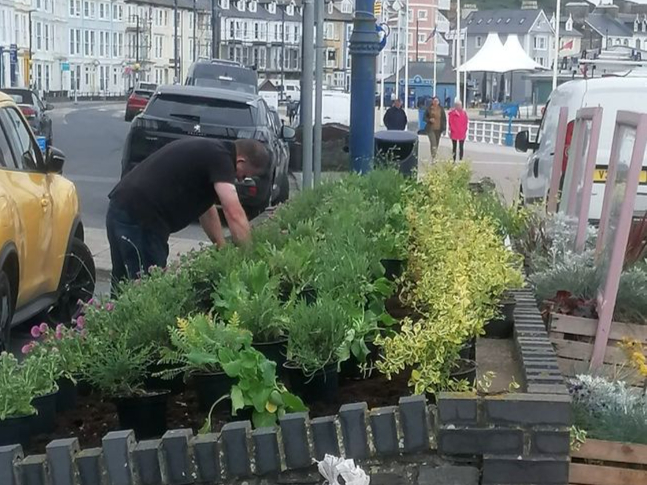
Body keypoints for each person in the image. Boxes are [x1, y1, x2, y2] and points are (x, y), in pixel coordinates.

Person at [106, 137, 270, 288]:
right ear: (241, 160)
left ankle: (110, 320)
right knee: (148, 289)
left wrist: (221, 247)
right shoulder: (222, 159)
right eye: (245, 174)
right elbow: (233, 212)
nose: (241, 179)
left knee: (123, 286)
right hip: (141, 219)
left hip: (121, 207)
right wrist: (249, 259)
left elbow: (206, 209)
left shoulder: (211, 152)